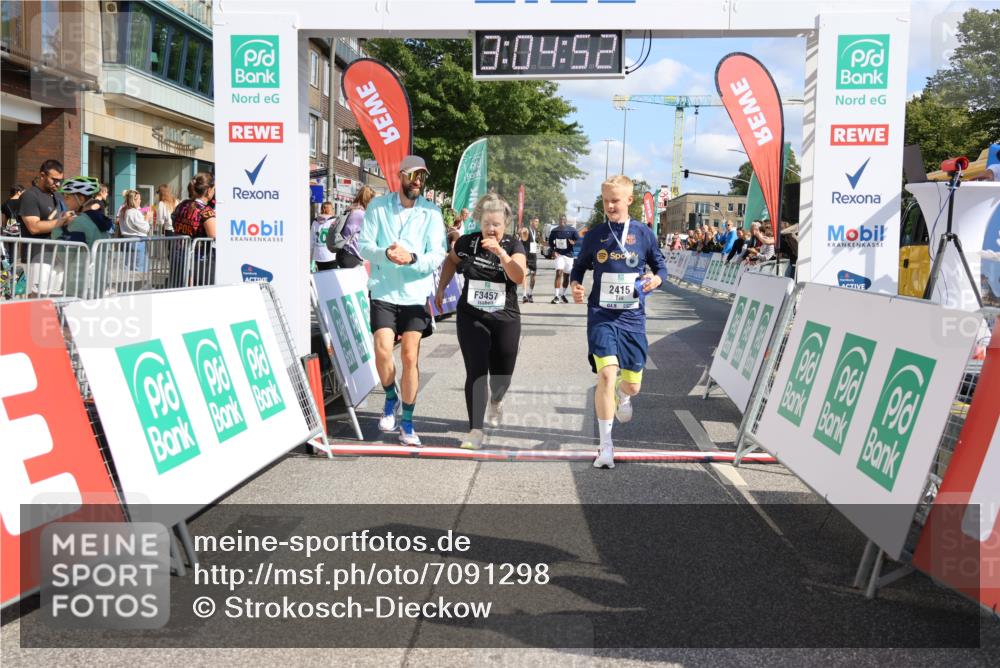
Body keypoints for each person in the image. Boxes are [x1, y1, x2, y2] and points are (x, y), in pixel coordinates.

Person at [570, 175, 668, 469]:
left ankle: (624, 398)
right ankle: (605, 447)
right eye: (606, 200)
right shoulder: (595, 234)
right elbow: (579, 267)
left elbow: (660, 266)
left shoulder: (643, 233)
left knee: (632, 385)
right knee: (606, 376)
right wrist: (575, 284)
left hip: (632, 318)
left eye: (616, 200)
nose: (610, 205)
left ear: (629, 200)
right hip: (601, 315)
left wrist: (656, 279)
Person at [358, 155, 447, 446]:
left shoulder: (432, 213)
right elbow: (364, 246)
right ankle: (389, 398)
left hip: (414, 293)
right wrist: (385, 254)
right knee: (382, 350)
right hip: (383, 289)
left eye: (422, 177)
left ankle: (407, 423)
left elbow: (437, 254)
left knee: (410, 356)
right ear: (401, 176)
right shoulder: (378, 206)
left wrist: (412, 258)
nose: (418, 181)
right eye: (414, 176)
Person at [436, 193, 526, 450]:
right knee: (476, 371)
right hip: (472, 315)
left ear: (505, 225)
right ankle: (475, 429)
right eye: (486, 223)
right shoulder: (468, 242)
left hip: (505, 317)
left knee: (503, 374)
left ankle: (496, 400)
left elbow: (519, 276)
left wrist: (501, 254)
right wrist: (442, 288)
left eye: (496, 224)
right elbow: (451, 260)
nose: (490, 229)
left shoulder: (512, 245)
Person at [172, 172, 217, 285]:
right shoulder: (206, 211)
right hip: (199, 260)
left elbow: (173, 220)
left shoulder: (182, 205)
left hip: (179, 255)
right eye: (214, 188)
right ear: (208, 190)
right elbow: (214, 235)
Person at [19, 159, 73, 241]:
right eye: (54, 180)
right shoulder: (30, 195)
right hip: (37, 252)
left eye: (60, 180)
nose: (58, 184)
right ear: (42, 175)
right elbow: (34, 228)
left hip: (58, 251)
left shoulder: (59, 196)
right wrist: (62, 220)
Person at [334, 186, 376, 269]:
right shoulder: (361, 214)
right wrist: (363, 259)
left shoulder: (351, 209)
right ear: (369, 200)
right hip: (351, 255)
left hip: (344, 253)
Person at [548, 214, 578, 303]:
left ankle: (563, 295)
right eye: (560, 220)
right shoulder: (554, 231)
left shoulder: (572, 230)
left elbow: (578, 239)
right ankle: (556, 296)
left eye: (563, 220)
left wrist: (573, 242)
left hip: (569, 255)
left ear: (566, 221)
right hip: (559, 254)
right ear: (559, 220)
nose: (562, 221)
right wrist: (553, 250)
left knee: (566, 276)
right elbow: (550, 242)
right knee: (559, 272)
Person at [118, 190, 150, 271]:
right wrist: (147, 218)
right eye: (139, 199)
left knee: (127, 266)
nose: (140, 201)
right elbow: (145, 228)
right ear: (133, 200)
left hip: (127, 240)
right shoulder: (134, 212)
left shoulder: (123, 210)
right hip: (138, 241)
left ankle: (127, 283)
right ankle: (138, 283)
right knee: (139, 267)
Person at [312, 201, 338, 271]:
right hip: (331, 256)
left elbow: (312, 240)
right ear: (331, 210)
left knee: (321, 277)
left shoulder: (315, 222)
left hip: (318, 256)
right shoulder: (334, 221)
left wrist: (311, 257)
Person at [519, 217, 540, 302]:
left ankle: (530, 294)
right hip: (525, 256)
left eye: (538, 222)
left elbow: (539, 241)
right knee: (524, 275)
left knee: (533, 275)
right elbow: (523, 231)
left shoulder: (537, 232)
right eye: (535, 221)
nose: (537, 223)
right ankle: (524, 295)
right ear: (531, 222)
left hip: (533, 256)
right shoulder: (527, 230)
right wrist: (521, 230)